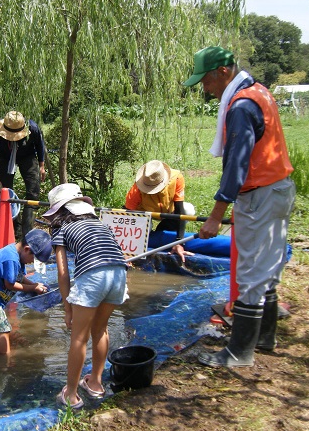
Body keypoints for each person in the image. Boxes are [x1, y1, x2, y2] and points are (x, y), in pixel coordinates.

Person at [183, 46, 295, 368]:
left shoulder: (242, 106)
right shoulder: (258, 91)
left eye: (205, 81)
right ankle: (264, 337)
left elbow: (236, 165)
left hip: (260, 194)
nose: (205, 89)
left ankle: (239, 352)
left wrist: (216, 216)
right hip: (277, 188)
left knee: (249, 272)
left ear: (223, 72)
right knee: (267, 266)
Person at [43, 183, 129, 408]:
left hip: (94, 274)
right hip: (119, 272)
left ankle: (70, 394)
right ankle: (96, 383)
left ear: (59, 211)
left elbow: (63, 273)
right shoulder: (99, 224)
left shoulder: (60, 229)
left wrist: (67, 307)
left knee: (79, 337)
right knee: (100, 329)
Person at [0, 228, 52, 354]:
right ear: (27, 249)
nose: (32, 263)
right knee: (4, 330)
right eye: (34, 259)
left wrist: (34, 284)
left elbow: (19, 277)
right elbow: (10, 284)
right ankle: (4, 362)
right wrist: (33, 288)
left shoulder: (18, 256)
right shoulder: (11, 258)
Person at [0, 111, 46, 238]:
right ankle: (15, 228)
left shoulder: (33, 128)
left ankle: (27, 231)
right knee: (6, 192)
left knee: (33, 191)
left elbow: (40, 146)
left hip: (27, 156)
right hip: (5, 157)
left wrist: (41, 166)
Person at [125, 160, 195, 261]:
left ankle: (163, 228)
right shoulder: (136, 190)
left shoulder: (177, 178)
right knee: (144, 232)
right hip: (145, 214)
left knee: (189, 210)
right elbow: (127, 216)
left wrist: (179, 242)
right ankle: (152, 232)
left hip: (169, 212)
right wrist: (128, 248)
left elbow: (180, 212)